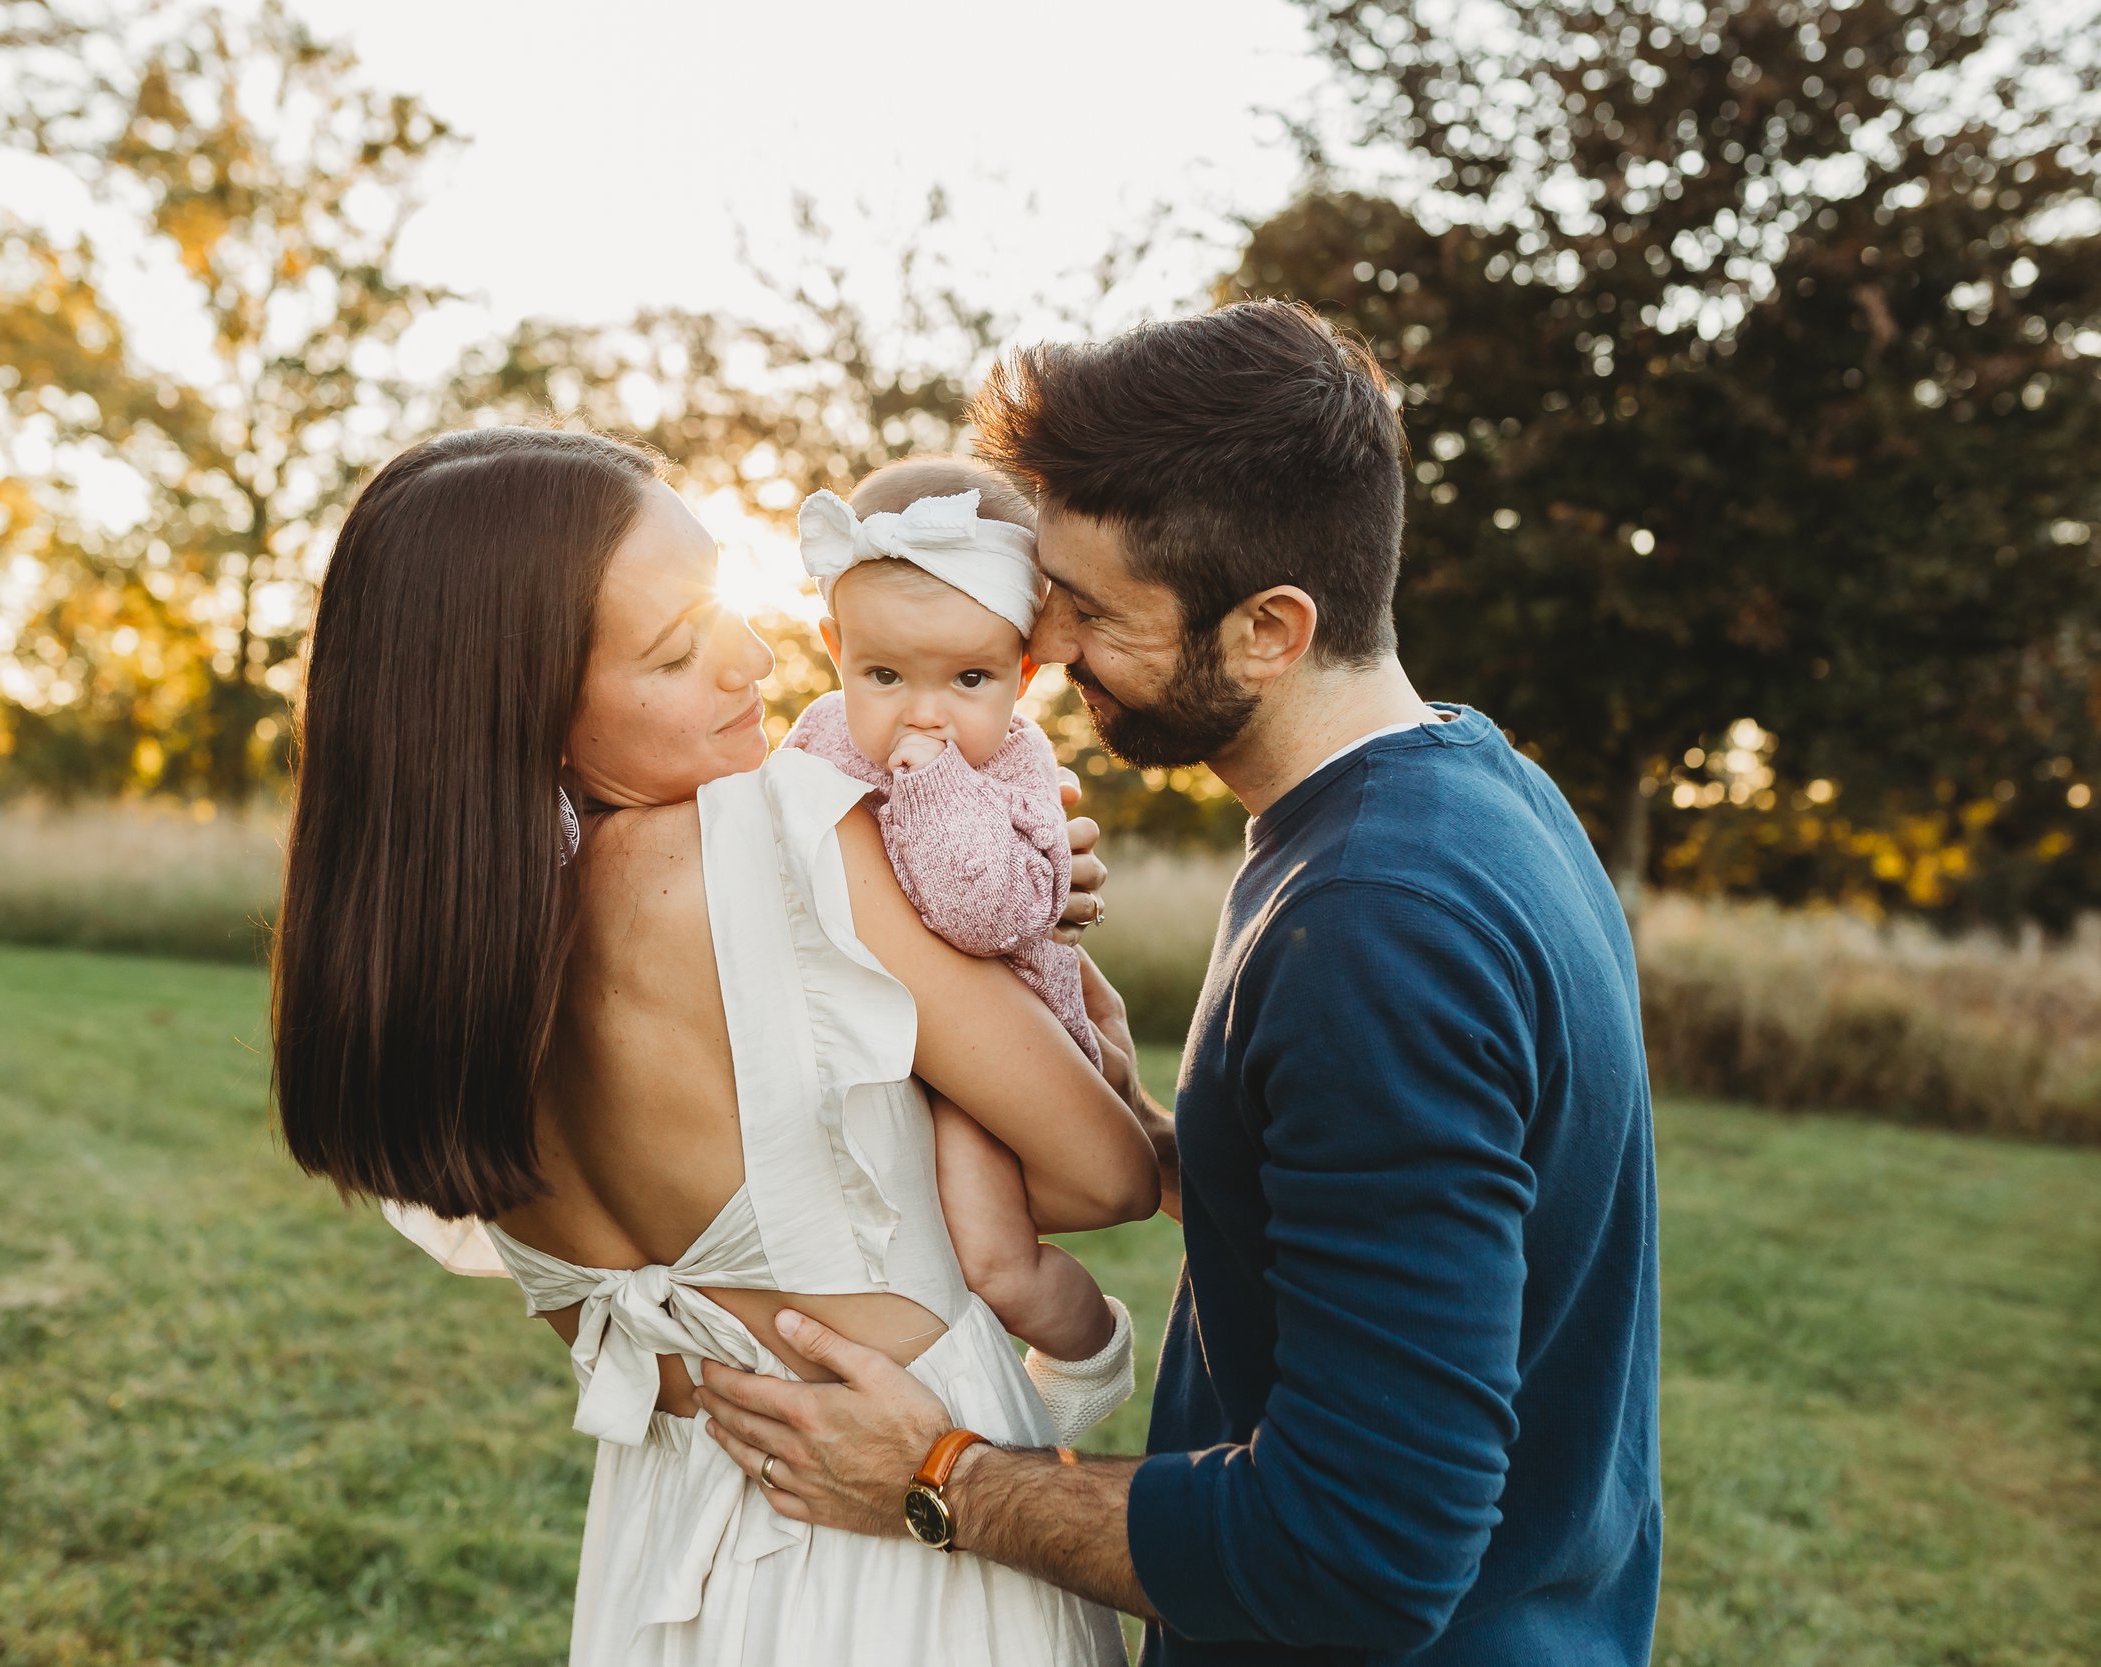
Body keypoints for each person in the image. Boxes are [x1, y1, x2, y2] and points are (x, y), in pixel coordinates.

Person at [696, 300, 1664, 1666]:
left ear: (1269, 625)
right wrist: (1169, 1143)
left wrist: (940, 1471)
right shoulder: (1478, 792)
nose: (1052, 646)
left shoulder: (1379, 924)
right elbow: (1414, 1195)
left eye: (1093, 610)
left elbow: (1354, 1557)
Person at [269, 425, 1162, 1666]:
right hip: (903, 1569)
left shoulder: (434, 983)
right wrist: (1084, 1015)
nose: (756, 652)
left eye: (725, 598)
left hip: (662, 1575)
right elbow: (1104, 1174)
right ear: (533, 708)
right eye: (679, 648)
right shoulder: (789, 836)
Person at [784, 457, 1137, 1448]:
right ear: (835, 649)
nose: (923, 710)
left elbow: (978, 915)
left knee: (992, 1258)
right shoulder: (818, 740)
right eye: (883, 673)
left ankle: (1086, 1344)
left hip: (993, 1049)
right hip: (878, 1037)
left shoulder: (1016, 765)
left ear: (1022, 676)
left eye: (969, 678)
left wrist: (934, 784)